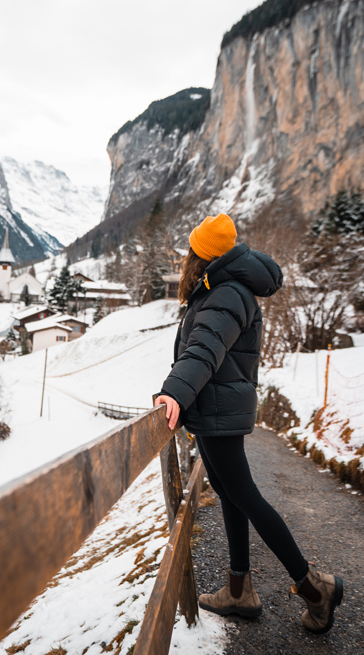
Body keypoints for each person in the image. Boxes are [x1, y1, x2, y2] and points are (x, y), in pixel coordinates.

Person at [154, 213, 343, 634]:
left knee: (246, 497)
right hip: (214, 412)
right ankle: (239, 590)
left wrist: (175, 392)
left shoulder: (226, 293)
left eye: (190, 251)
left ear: (200, 256)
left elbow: (204, 350)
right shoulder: (223, 288)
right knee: (231, 494)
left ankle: (316, 590)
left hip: (217, 411)